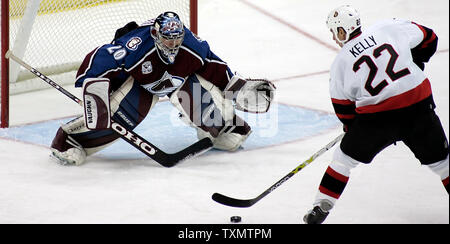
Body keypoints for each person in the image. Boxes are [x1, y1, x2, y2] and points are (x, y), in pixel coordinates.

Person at [50, 11, 275, 166]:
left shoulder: (191, 46)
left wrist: (237, 89)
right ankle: (70, 140)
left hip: (177, 81)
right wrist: (93, 89)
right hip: (140, 83)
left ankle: (222, 128)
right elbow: (100, 57)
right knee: (120, 116)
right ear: (156, 35)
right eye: (168, 41)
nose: (174, 46)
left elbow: (214, 66)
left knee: (199, 97)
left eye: (177, 39)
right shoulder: (136, 45)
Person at [303, 5, 449, 224]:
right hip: (418, 105)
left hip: (378, 119)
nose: (334, 37)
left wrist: (353, 131)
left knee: (343, 160)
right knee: (443, 163)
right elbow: (429, 38)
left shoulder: (341, 63)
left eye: (335, 31)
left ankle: (321, 206)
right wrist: (416, 64)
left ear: (343, 31)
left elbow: (343, 108)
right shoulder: (388, 27)